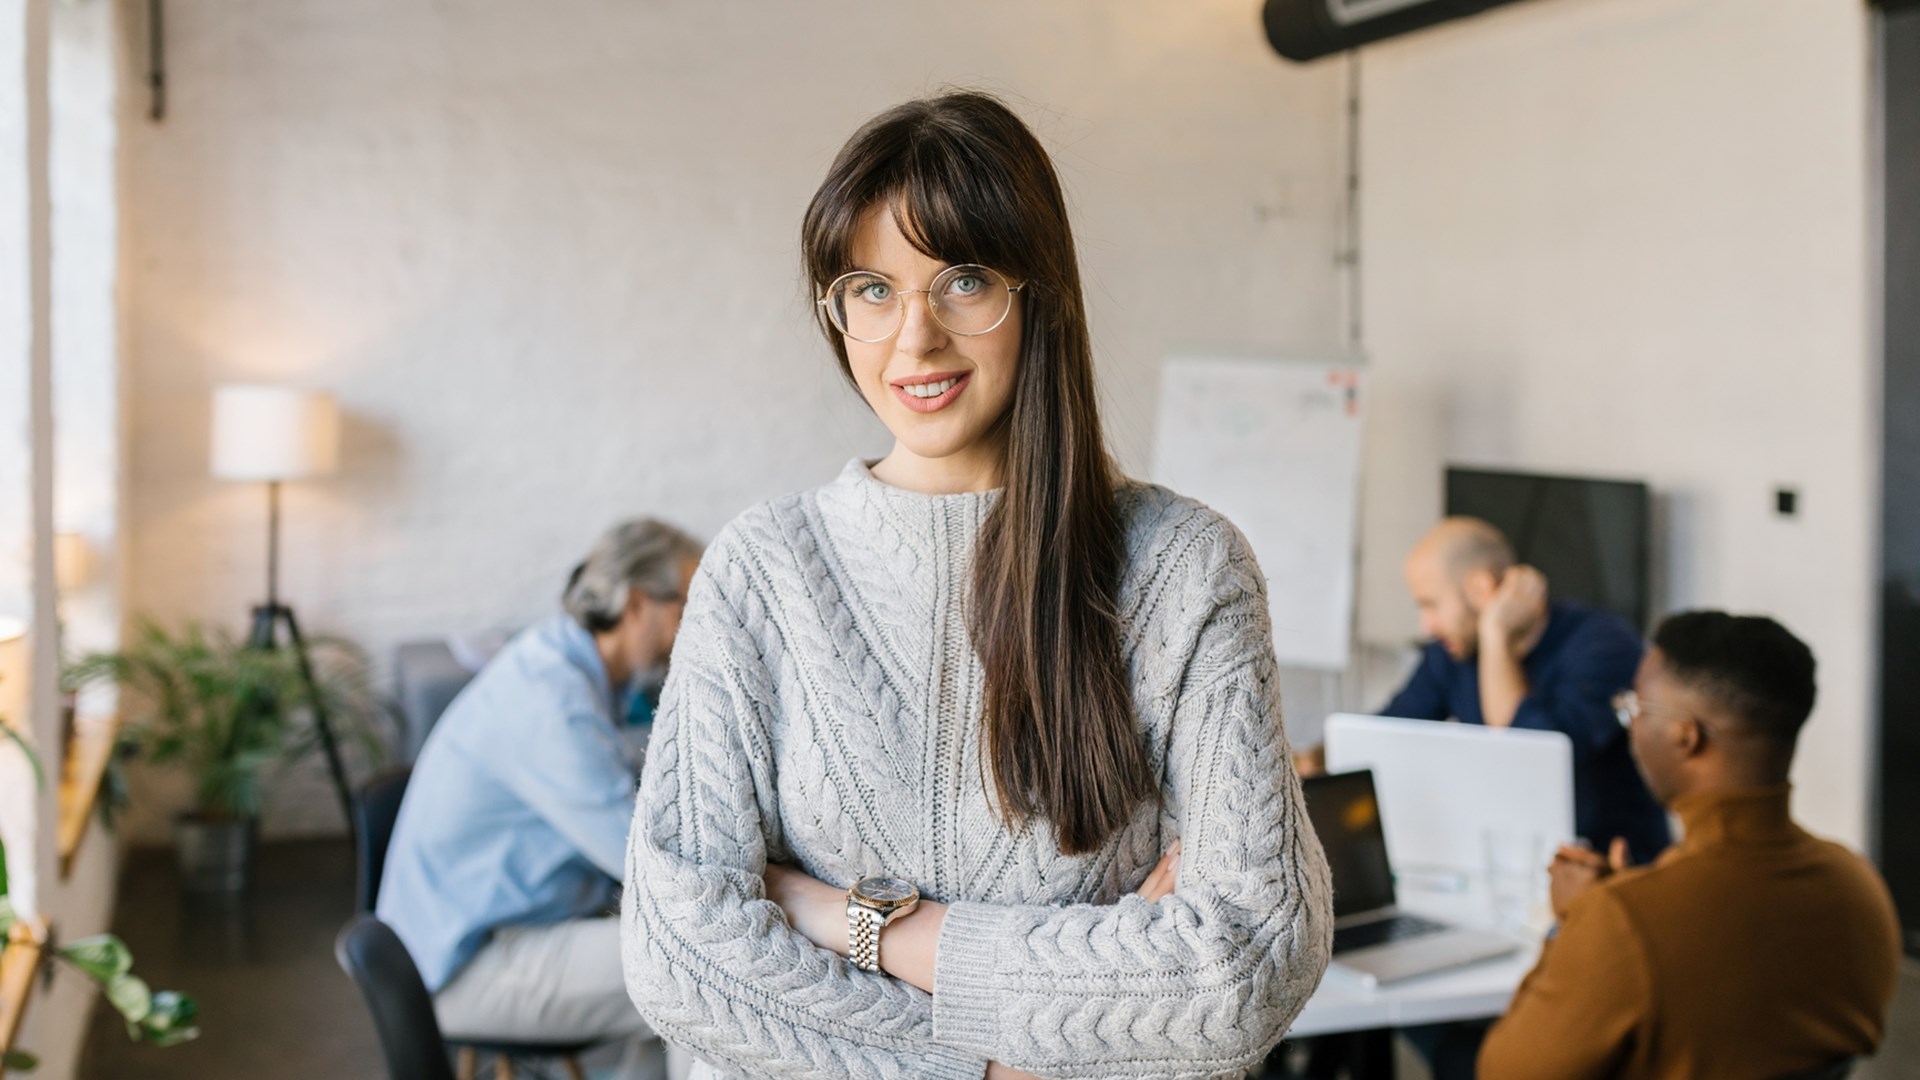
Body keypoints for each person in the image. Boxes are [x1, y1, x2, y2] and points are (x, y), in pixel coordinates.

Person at [620, 91, 1333, 1080]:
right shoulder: (763, 570)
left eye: (961, 281)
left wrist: (855, 924)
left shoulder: (1185, 569)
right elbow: (681, 956)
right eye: (871, 288)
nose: (913, 340)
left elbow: (1245, 962)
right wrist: (994, 1066)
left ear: (1039, 293)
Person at [1480, 611, 1901, 1079]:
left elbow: (1504, 1072)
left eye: (1635, 709)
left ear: (1686, 735)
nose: (1631, 728)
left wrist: (1574, 927)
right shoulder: (1860, 887)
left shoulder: (1621, 921)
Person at [380, 518, 702, 1080]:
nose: (691, 629)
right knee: (692, 970)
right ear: (635, 605)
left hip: (492, 927)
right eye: (684, 608)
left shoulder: (568, 663)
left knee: (679, 966)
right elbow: (640, 857)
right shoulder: (553, 701)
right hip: (466, 964)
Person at [1379, 516, 1670, 863]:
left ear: (1480, 590)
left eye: (1431, 605)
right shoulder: (1450, 652)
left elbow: (1530, 763)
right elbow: (1389, 732)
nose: (1426, 625)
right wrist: (1312, 760)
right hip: (1507, 864)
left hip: (1608, 870)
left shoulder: (1603, 644)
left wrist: (1495, 635)